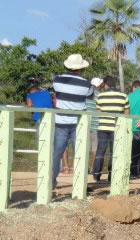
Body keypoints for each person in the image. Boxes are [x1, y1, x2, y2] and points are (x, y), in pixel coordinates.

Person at [51, 54, 94, 189]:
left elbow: (56, 93)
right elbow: (90, 96)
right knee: (81, 154)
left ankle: (51, 182)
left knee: (56, 154)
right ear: (81, 68)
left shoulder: (57, 80)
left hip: (60, 122)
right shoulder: (87, 84)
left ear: (67, 66)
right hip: (78, 124)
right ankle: (81, 185)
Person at [93, 75, 129, 182]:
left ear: (106, 84)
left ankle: (96, 175)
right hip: (116, 128)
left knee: (100, 151)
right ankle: (111, 175)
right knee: (114, 152)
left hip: (103, 127)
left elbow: (98, 112)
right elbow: (126, 113)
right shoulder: (123, 96)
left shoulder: (100, 96)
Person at [86, 78, 103, 176]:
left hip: (85, 125)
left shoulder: (85, 95)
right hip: (96, 125)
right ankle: (93, 168)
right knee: (95, 149)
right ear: (98, 85)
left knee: (84, 148)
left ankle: (84, 167)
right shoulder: (100, 95)